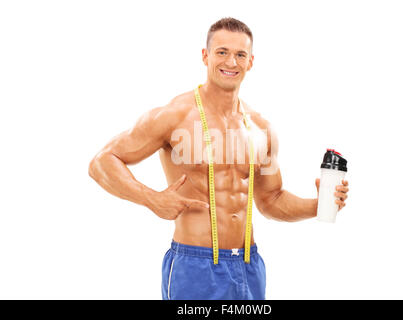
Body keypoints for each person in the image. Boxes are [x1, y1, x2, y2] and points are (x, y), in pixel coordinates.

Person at [88, 17, 349, 300]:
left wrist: (319, 204)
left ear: (251, 62)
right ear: (205, 56)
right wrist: (151, 198)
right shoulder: (174, 115)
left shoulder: (261, 129)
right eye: (222, 52)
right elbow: (102, 161)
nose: (231, 62)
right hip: (194, 265)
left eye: (240, 55)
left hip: (249, 265)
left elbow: (271, 200)